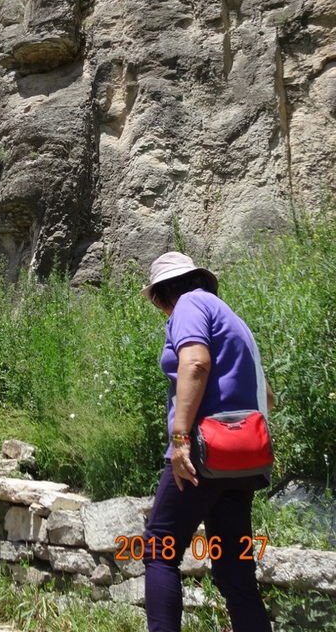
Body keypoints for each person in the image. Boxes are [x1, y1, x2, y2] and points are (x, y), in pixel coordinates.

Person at [141, 251, 274, 632]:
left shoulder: (189, 305)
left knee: (159, 550)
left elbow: (195, 362)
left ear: (162, 295)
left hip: (203, 450)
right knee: (235, 568)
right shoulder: (234, 321)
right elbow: (267, 397)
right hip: (242, 460)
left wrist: (181, 438)